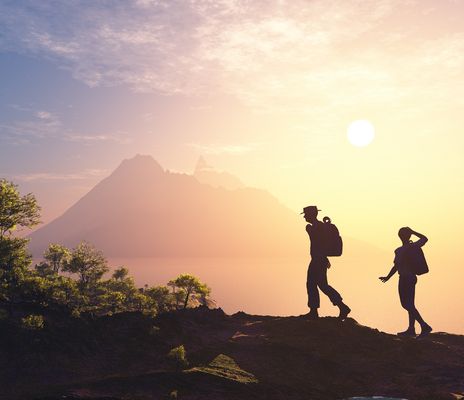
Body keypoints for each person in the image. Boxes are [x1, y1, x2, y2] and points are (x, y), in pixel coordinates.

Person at [379, 227, 432, 338]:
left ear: (399, 236)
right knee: (410, 305)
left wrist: (388, 277)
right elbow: (424, 238)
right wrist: (413, 232)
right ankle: (411, 329)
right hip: (410, 278)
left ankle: (424, 325)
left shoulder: (401, 250)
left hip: (405, 279)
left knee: (406, 304)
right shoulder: (412, 247)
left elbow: (396, 266)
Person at [302, 205, 351, 320]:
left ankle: (318, 310)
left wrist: (322, 257)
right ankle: (340, 306)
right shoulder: (321, 227)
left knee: (314, 284)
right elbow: (323, 245)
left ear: (311, 215)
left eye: (306, 215)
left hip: (317, 260)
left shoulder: (312, 228)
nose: (304, 217)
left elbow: (317, 243)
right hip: (320, 259)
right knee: (320, 285)